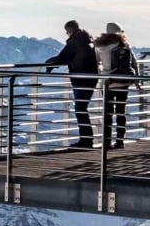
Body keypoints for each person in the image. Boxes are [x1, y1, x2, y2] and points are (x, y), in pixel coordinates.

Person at [43, 20, 99, 148]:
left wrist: (51, 64)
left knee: (80, 109)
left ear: (69, 31)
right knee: (82, 108)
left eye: (66, 32)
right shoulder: (87, 39)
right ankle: (87, 139)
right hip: (91, 78)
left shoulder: (75, 41)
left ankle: (86, 140)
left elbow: (63, 56)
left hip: (81, 79)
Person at [94, 22, 139, 149]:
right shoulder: (124, 45)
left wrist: (100, 77)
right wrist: (137, 80)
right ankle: (120, 141)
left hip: (107, 82)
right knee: (121, 112)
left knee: (107, 113)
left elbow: (96, 64)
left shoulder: (99, 46)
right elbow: (134, 64)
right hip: (123, 82)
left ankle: (106, 142)